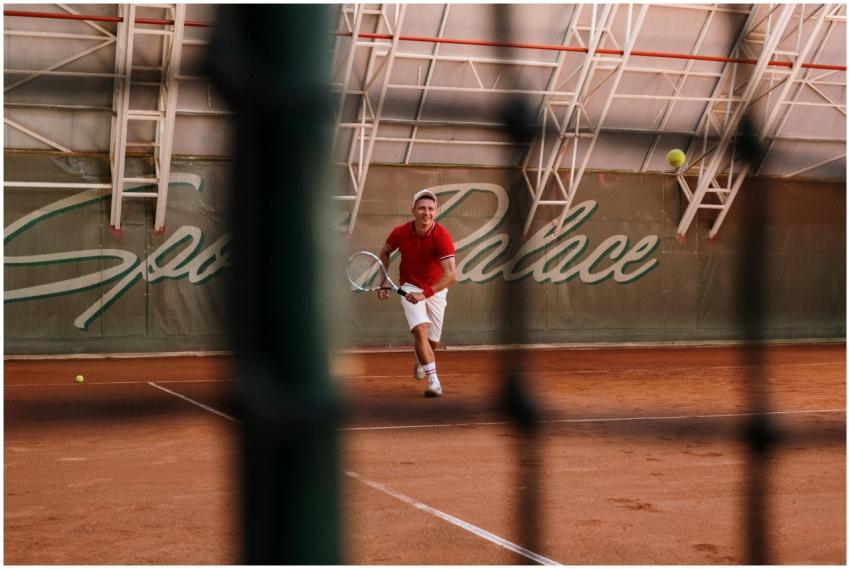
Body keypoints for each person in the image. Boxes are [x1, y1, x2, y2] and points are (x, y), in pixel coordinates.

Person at [378, 189, 456, 397]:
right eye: (422, 208)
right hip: (409, 286)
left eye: (431, 209)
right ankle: (434, 382)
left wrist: (426, 293)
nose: (426, 212)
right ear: (413, 210)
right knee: (420, 329)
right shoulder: (399, 232)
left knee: (433, 341)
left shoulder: (442, 236)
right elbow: (384, 252)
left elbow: (450, 275)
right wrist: (383, 280)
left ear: (436, 212)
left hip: (435, 289)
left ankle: (421, 359)